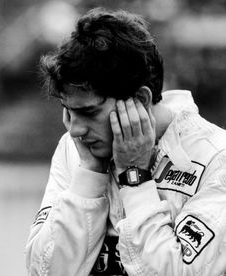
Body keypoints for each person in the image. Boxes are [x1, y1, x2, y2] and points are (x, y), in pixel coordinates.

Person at [25, 7, 226, 276]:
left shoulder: (216, 159)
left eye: (88, 112)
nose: (75, 130)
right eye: (68, 110)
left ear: (140, 101)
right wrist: (89, 173)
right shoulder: (74, 150)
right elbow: (45, 272)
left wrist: (135, 177)